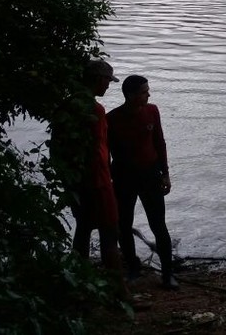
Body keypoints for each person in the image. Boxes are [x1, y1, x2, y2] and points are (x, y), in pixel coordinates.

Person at [107, 74, 178, 289]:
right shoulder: (112, 119)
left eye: (147, 91)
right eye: (144, 92)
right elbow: (106, 152)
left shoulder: (152, 111)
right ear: (130, 95)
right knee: (123, 224)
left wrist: (165, 173)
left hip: (150, 175)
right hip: (123, 177)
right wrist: (108, 178)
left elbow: (159, 143)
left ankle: (167, 274)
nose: (149, 95)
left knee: (158, 225)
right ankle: (133, 268)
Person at [70, 59, 125, 288]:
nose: (108, 86)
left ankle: (80, 284)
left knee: (82, 229)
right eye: (107, 81)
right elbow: (97, 150)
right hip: (98, 181)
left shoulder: (68, 106)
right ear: (99, 79)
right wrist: (104, 178)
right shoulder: (95, 110)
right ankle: (118, 291)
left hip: (76, 181)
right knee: (110, 232)